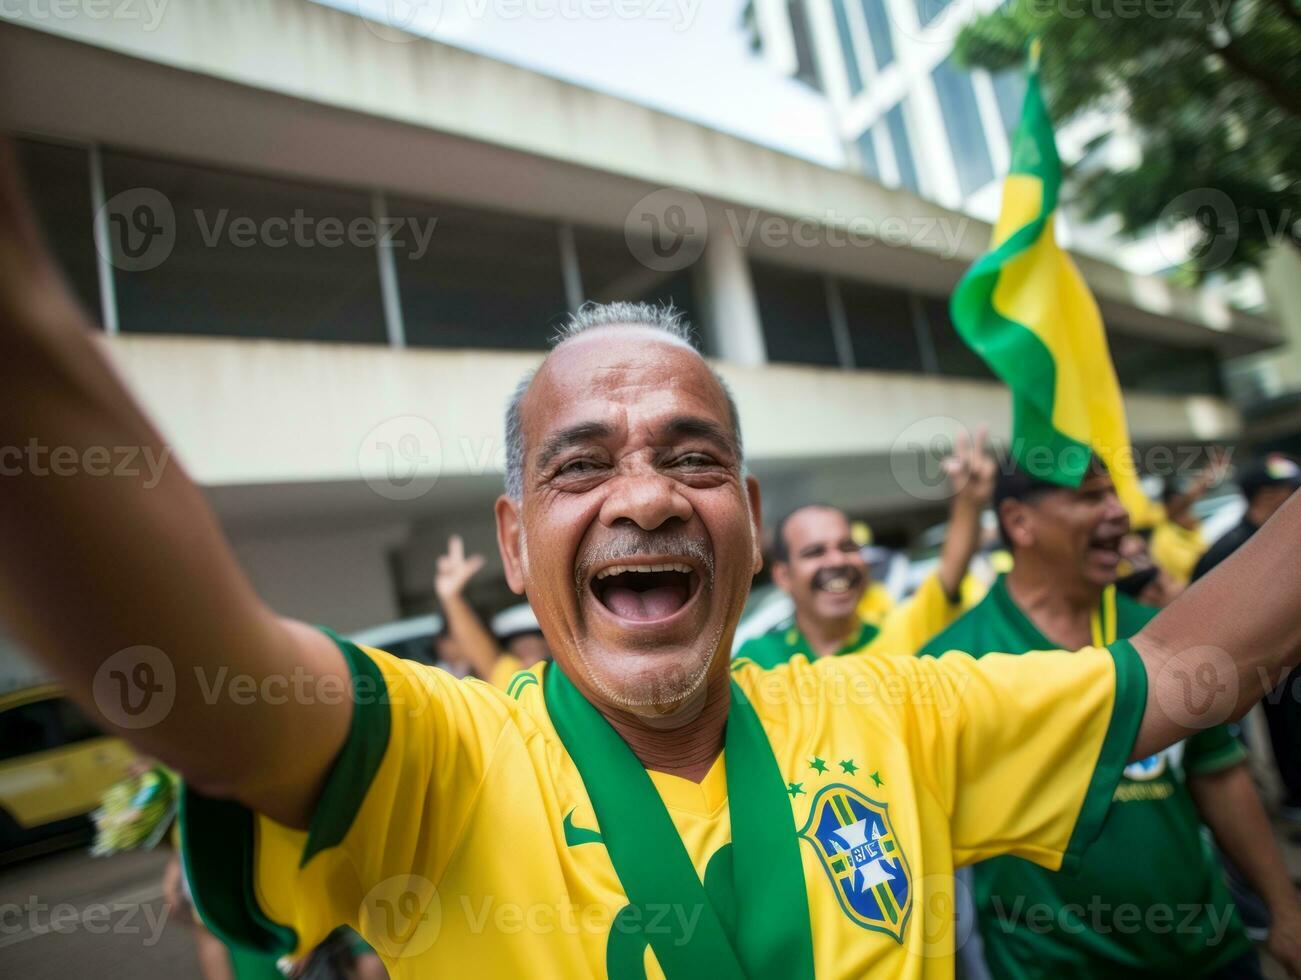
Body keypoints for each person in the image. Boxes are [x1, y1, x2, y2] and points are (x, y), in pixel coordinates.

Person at [4, 142, 1301, 978]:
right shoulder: (441, 763)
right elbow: (192, 679)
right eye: (579, 465)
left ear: (742, 517)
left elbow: (1194, 666)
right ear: (515, 544)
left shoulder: (894, 710)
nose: (646, 498)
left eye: (691, 462)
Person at [920, 461, 1301, 978]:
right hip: (1054, 970)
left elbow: (1219, 772)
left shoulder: (1163, 634)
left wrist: (1284, 907)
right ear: (1019, 522)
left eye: (1116, 494)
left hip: (1211, 954)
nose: (1119, 512)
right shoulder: (951, 663)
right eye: (1091, 497)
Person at [734, 430, 995, 668]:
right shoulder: (757, 661)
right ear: (783, 576)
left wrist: (968, 503)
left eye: (848, 547)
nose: (837, 561)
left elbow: (949, 574)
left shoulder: (897, 633)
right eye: (815, 552)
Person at [1193, 454, 1301, 830]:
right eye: (1292, 492)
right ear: (1269, 496)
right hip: (1262, 672)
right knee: (1285, 730)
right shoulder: (1227, 551)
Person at [433, 533, 549, 689]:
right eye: (523, 651)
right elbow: (485, 657)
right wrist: (452, 598)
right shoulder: (515, 681)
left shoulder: (567, 683)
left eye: (538, 649)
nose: (531, 660)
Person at [1150, 448, 1230, 585]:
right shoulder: (1164, 541)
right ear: (1172, 503)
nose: (1190, 514)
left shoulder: (1196, 531)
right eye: (1185, 509)